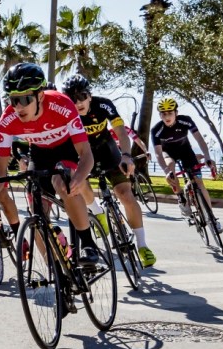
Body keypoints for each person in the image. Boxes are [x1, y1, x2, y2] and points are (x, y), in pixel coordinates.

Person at [0, 62, 101, 264]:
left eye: (25, 99)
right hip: (39, 153)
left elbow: (86, 154)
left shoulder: (62, 105)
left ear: (40, 96)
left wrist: (78, 178)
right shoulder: (7, 120)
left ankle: (88, 244)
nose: (18, 107)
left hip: (66, 149)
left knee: (63, 183)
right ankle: (56, 268)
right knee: (36, 211)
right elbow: (0, 165)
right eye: (13, 100)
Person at [63, 74, 157, 267]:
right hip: (84, 154)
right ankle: (97, 212)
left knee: (125, 194)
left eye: (82, 96)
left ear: (89, 96)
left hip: (108, 151)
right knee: (78, 182)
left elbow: (121, 131)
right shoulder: (65, 114)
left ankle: (142, 246)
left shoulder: (104, 105)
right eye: (72, 99)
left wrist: (126, 155)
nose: (78, 102)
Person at [150, 97, 222, 231]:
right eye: (163, 114)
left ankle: (211, 218)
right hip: (168, 153)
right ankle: (181, 197)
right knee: (170, 166)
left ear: (176, 113)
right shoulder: (156, 130)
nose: (167, 117)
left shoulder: (185, 120)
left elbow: (200, 140)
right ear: (160, 115)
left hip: (186, 151)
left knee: (199, 182)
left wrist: (207, 156)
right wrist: (166, 171)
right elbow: (159, 154)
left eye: (170, 113)